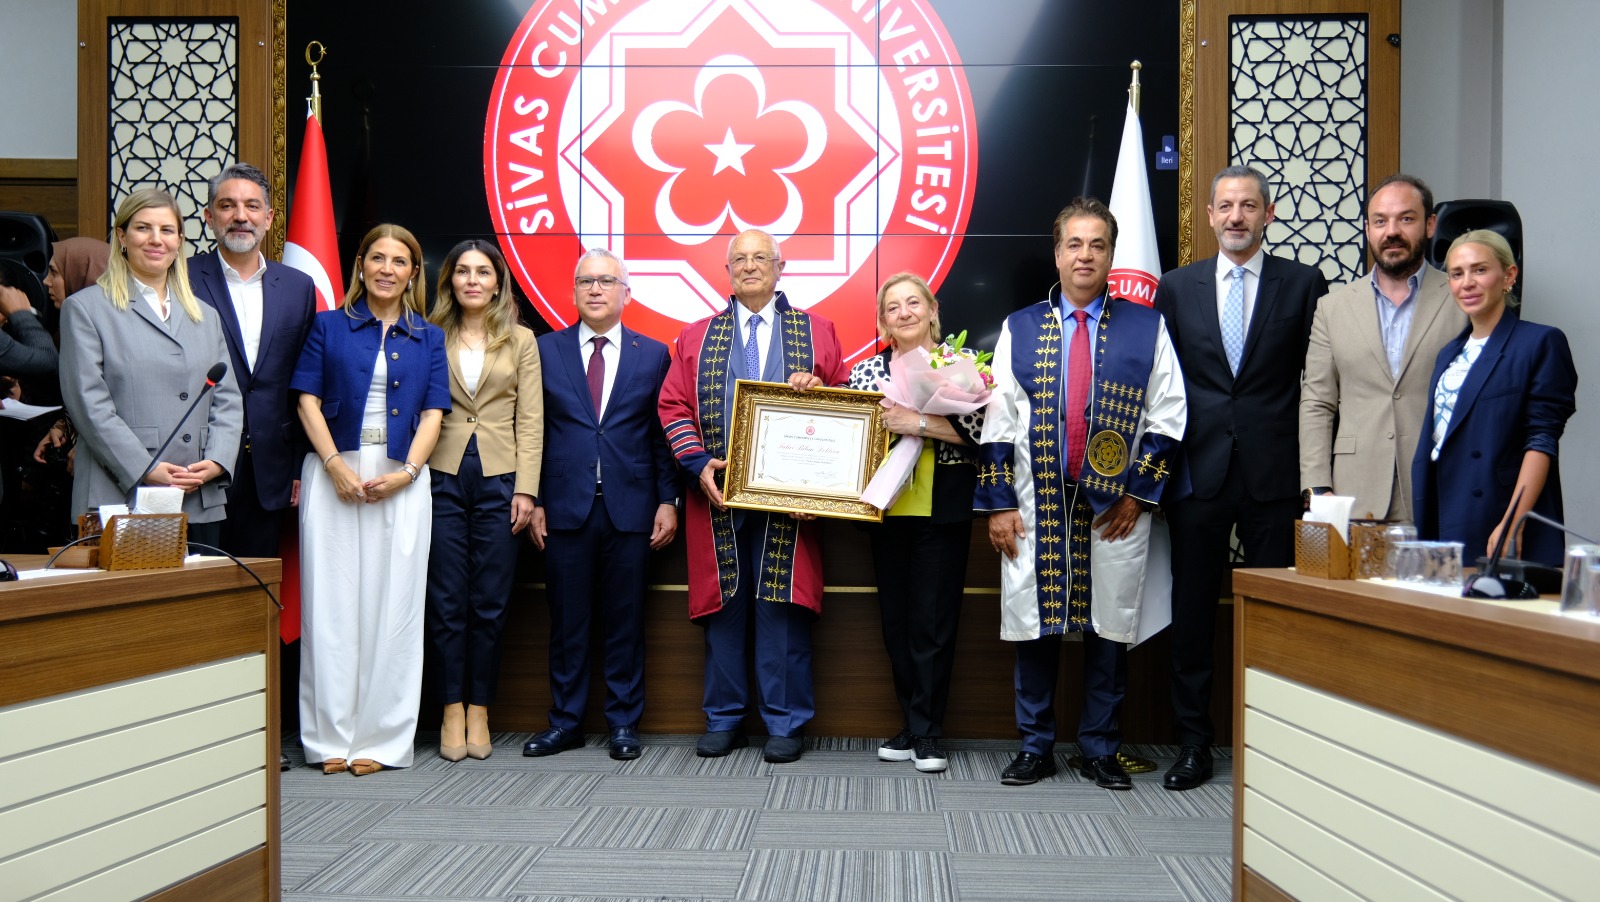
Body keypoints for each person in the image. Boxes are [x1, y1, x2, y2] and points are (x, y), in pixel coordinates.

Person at [978, 197, 1186, 789]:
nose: (1085, 255)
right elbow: (1000, 418)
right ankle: (1035, 746)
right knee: (1035, 624)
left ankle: (1099, 748)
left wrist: (1138, 495)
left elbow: (1169, 413)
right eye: (1075, 244)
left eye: (1097, 244)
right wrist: (999, 503)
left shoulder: (1146, 326)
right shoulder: (1020, 327)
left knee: (1108, 627)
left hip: (1114, 505)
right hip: (1036, 500)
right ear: (1057, 253)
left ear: (1112, 255)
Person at [1152, 166, 1328, 791]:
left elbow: (1318, 383)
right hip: (1196, 474)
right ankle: (1193, 744)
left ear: (1268, 214)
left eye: (1248, 206)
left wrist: (1318, 476)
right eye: (1225, 206)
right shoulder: (1177, 287)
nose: (1236, 217)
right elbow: (1163, 384)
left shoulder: (1304, 284)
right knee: (1193, 613)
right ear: (1209, 216)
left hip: (1275, 476)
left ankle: (1273, 743)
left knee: (1276, 614)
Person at [659, 229, 847, 764]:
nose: (749, 266)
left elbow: (848, 405)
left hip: (791, 502)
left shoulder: (818, 331)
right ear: (727, 270)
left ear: (780, 267)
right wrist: (697, 463)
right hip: (717, 497)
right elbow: (673, 406)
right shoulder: (696, 337)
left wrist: (822, 394)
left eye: (760, 257)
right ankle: (724, 718)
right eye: (739, 259)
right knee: (724, 606)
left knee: (780, 605)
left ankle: (785, 722)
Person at [292, 224, 449, 776]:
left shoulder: (429, 337)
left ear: (413, 273)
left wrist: (407, 473)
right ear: (360, 265)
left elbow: (434, 413)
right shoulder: (328, 325)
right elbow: (306, 401)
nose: (387, 269)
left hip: (402, 476)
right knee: (330, 607)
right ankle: (328, 737)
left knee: (394, 609)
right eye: (377, 258)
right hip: (333, 471)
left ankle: (381, 741)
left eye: (399, 261)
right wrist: (334, 465)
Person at [524, 248, 677, 761]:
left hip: (631, 510)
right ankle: (565, 723)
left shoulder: (652, 354)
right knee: (567, 623)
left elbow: (660, 436)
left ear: (626, 293)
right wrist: (535, 497)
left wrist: (668, 500)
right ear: (573, 291)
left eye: (606, 281)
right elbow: (533, 430)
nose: (595, 289)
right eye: (585, 281)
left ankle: (623, 724)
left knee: (625, 622)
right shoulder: (544, 350)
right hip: (562, 508)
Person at [846, 273, 983, 774]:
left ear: (932, 309)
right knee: (897, 623)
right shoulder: (864, 373)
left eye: (913, 303)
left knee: (934, 624)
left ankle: (927, 732)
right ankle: (911, 720)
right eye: (892, 307)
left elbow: (983, 434)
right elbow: (850, 438)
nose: (903, 313)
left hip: (942, 510)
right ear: (882, 321)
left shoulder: (963, 366)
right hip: (887, 510)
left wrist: (919, 422)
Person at [58, 187, 242, 548]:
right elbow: (89, 406)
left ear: (179, 241)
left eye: (167, 230)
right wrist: (146, 467)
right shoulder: (85, 309)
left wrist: (218, 460)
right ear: (122, 237)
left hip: (197, 494)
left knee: (201, 588)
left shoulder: (205, 316)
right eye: (143, 228)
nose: (156, 239)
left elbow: (228, 400)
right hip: (121, 494)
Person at [426, 239, 543, 762]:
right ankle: (451, 708)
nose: (472, 280)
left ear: (498, 283)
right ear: (449, 280)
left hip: (501, 478)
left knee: (490, 602)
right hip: (440, 475)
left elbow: (531, 419)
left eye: (483, 272)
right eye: (463, 272)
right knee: (447, 600)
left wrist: (527, 488)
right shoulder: (428, 333)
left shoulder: (521, 339)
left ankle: (480, 708)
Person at [1300, 174, 1466, 521]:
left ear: (1430, 225)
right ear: (1367, 229)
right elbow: (1317, 402)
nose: (1392, 231)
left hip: (1439, 485)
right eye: (1380, 221)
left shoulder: (1461, 300)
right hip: (1351, 492)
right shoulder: (1332, 307)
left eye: (1406, 219)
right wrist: (1316, 485)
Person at [1413, 230, 1577, 565]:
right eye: (1457, 274)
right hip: (1441, 511)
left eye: (1480, 270)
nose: (1467, 283)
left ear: (1509, 275)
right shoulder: (1448, 353)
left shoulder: (1540, 342)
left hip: (1496, 515)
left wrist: (1514, 522)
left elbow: (1541, 440)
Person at [188, 162, 318, 557]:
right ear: (209, 216)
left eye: (252, 206)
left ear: (269, 218)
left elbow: (303, 381)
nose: (241, 216)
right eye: (227, 205)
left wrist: (298, 465)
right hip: (197, 464)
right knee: (194, 583)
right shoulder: (182, 279)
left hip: (270, 468)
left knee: (256, 584)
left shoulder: (298, 287)